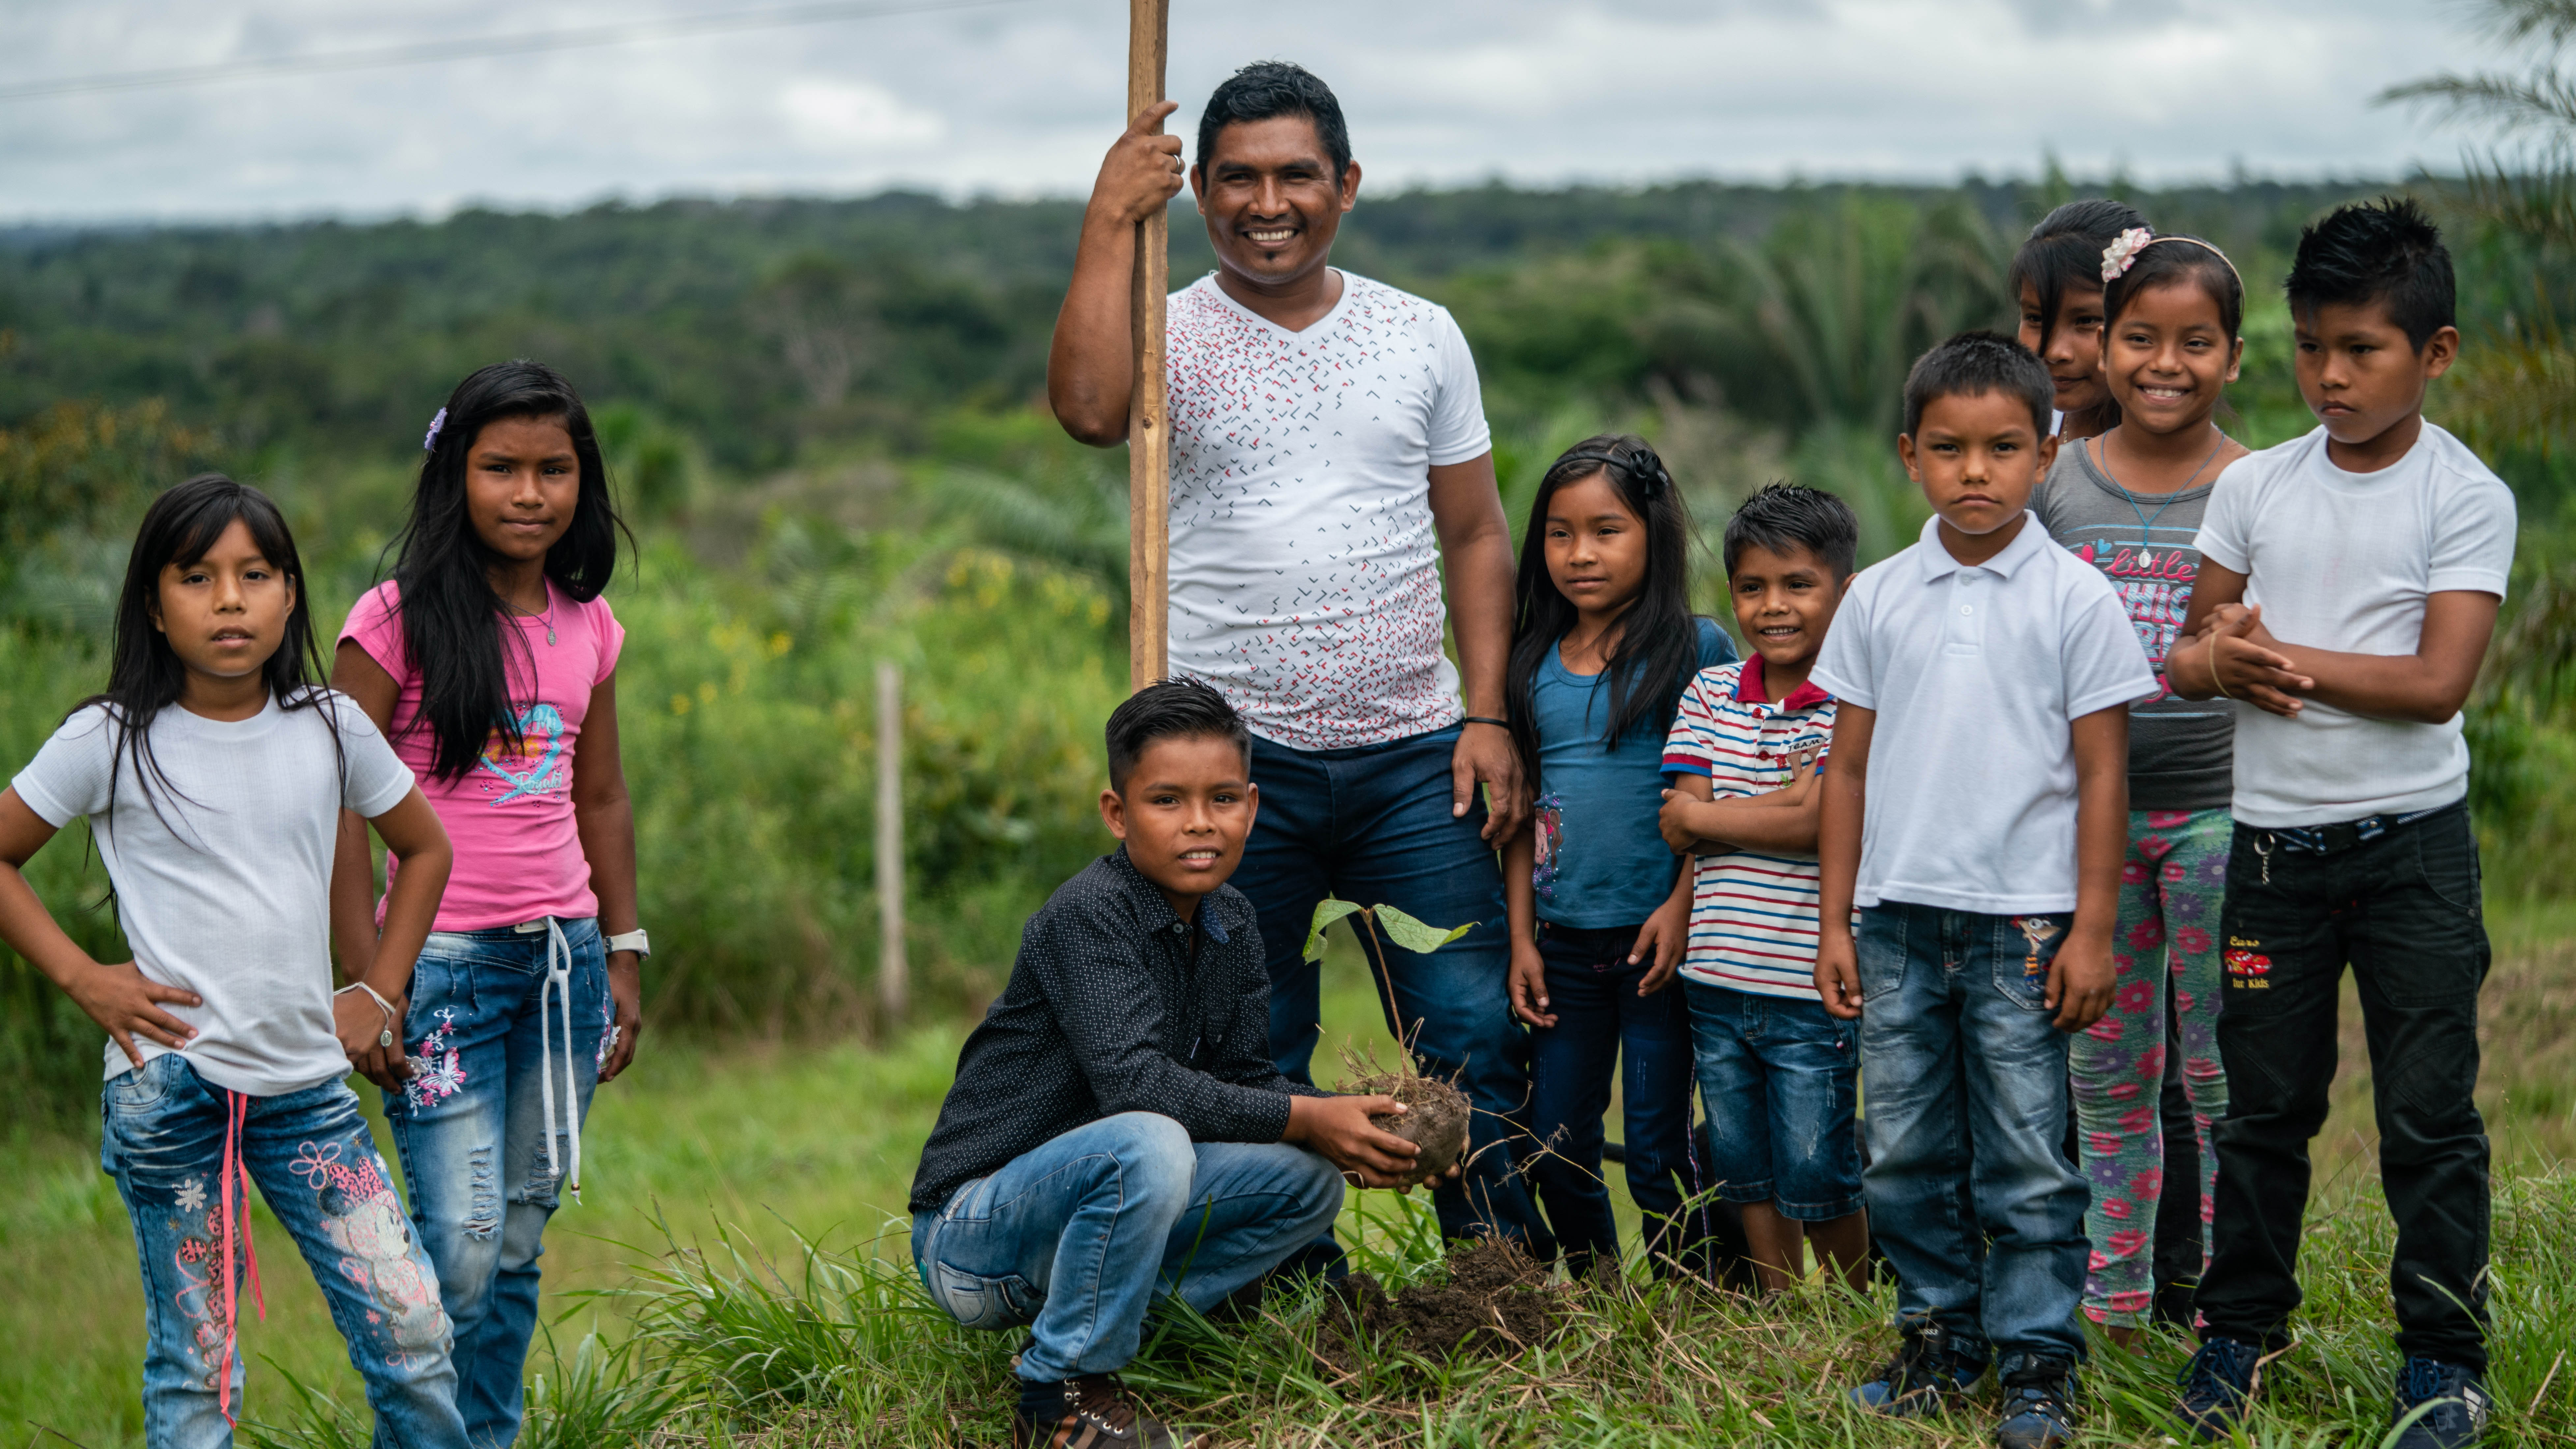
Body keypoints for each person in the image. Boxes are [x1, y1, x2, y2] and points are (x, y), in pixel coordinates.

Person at [1045, 60, 1543, 1256]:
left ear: (1345, 184)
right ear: (1199, 194)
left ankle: (1497, 1274)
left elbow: (1474, 533)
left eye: (1293, 177)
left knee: (1467, 1023)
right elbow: (1082, 407)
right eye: (1236, 180)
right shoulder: (1166, 329)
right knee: (1251, 1046)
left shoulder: (1418, 334)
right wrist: (1112, 215)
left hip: (1418, 749)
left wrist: (1485, 714)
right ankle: (1288, 1281)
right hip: (1232, 768)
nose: (1266, 203)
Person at [0, 475, 469, 1449]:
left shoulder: (330, 726)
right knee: (198, 1368)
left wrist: (379, 989)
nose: (228, 599)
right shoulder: (109, 737)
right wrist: (86, 977)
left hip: (309, 1091)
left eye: (255, 574)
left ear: (291, 594)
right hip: (170, 1087)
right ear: (153, 605)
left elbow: (426, 847)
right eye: (197, 576)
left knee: (413, 1325)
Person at [2165, 199, 2514, 1449]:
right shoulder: (2252, 483)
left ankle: (2440, 1364)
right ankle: (2237, 1338)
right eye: (2310, 344)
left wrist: (2269, 658)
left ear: (2433, 354)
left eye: (2359, 348)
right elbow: (2185, 649)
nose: (2327, 374)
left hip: (2410, 848)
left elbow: (2435, 684)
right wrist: (2217, 664)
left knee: (2428, 1114)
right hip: (2269, 851)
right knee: (2260, 1108)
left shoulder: (2462, 495)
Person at [910, 679, 1449, 1449]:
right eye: (1166, 801)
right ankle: (1057, 1394)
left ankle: (1123, 1327)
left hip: (1079, 1222)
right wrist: (1304, 1116)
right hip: (973, 1239)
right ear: (1116, 813)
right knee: (1148, 1140)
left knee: (1305, 1181)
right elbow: (1136, 1085)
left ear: (1252, 808)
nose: (1199, 824)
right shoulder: (1088, 915)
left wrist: (1343, 1129)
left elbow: (1245, 1079)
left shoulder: (1231, 918)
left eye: (1222, 799)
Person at [1812, 333, 2155, 1449]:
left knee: (2024, 1150)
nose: (1975, 472)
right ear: (1908, 455)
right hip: (1895, 922)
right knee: (1903, 1148)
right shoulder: (1872, 597)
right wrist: (1833, 918)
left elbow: (2104, 770)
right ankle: (1935, 1337)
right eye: (1949, 449)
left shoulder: (2075, 598)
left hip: (2025, 924)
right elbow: (1847, 768)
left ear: (2045, 452)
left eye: (2002, 448)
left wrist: (2092, 928)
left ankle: (2036, 1362)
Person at [330, 360, 645, 1448]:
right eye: (499, 468)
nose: (528, 493)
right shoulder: (392, 621)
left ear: (582, 481)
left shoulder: (587, 625)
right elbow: (330, 808)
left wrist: (624, 949)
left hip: (561, 967)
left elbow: (599, 794)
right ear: (452, 475)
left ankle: (487, 1434)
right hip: (443, 967)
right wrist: (367, 975)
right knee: (456, 1243)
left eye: (552, 469)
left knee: (518, 1233)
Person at [2035, 230, 2250, 1346]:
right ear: (2102, 346)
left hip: (2220, 812)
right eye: (2139, 337)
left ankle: (2223, 1296)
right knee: (2107, 1072)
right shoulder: (2054, 482)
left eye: (2195, 341)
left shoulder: (2255, 484)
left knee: (2216, 1071)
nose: (2165, 362)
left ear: (2232, 355)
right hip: (2088, 830)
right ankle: (2112, 1304)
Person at [1497, 436, 1734, 1280]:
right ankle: (1603, 1300)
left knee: (1655, 1150)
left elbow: (1718, 795)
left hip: (1660, 941)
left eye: (1605, 530)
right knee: (1555, 1142)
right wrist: (1521, 938)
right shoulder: (1529, 663)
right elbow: (1521, 816)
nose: (1580, 554)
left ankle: (1687, 1298)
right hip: (1562, 943)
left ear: (1654, 534)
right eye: (1559, 534)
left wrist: (1682, 902)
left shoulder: (1694, 650)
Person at [1656, 481, 1865, 1294]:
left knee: (1817, 1158)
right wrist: (1790, 802)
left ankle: (1852, 1301)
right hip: (1713, 979)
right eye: (1751, 587)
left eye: (1796, 585)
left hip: (1808, 985)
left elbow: (1823, 824)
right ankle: (1778, 1308)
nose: (1771, 607)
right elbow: (1675, 816)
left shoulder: (1854, 700)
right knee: (1740, 1158)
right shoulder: (1710, 693)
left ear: (1843, 593)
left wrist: (1728, 815)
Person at [2015, 199, 2150, 443]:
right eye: (2035, 319)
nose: (2055, 352)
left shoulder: (2181, 463)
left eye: (2086, 321)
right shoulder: (2016, 432)